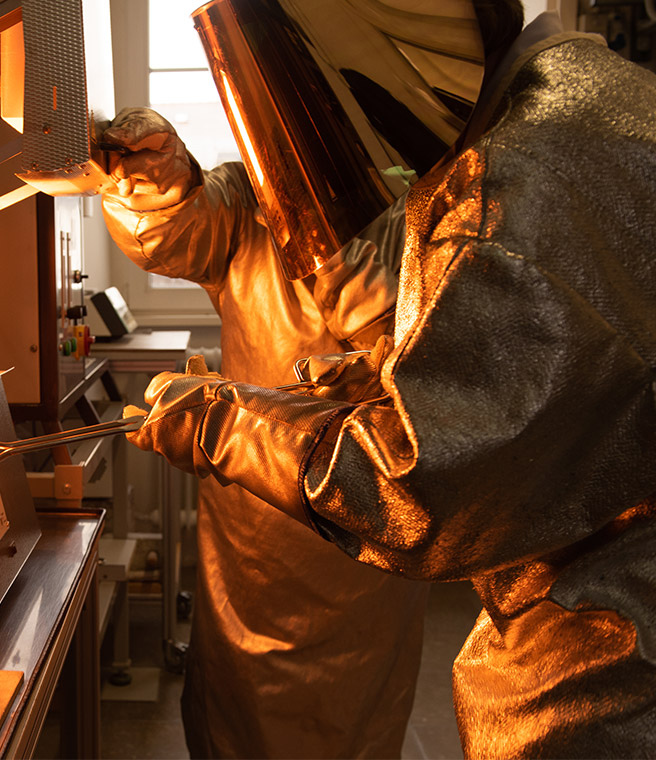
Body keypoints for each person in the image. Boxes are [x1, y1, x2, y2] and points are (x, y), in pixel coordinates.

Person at [122, 0, 656, 757]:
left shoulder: (512, 182)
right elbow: (597, 365)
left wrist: (226, 422)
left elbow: (428, 487)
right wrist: (388, 374)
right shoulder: (575, 96)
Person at [99, 106, 430, 759]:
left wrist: (379, 333)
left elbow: (449, 369)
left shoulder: (419, 204)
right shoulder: (250, 195)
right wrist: (156, 180)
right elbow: (173, 234)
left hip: (369, 518)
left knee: (352, 716)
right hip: (258, 522)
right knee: (243, 709)